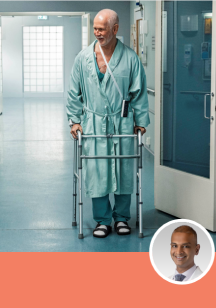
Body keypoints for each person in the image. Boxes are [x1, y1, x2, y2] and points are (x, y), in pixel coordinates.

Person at [66, 9, 149, 238]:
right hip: (93, 122)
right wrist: (74, 121)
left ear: (115, 29)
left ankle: (122, 218)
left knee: (123, 170)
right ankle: (102, 220)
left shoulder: (130, 58)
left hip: (121, 122)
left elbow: (139, 93)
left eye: (102, 29)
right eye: (95, 28)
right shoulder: (83, 58)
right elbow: (74, 92)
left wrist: (141, 122)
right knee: (97, 170)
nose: (97, 33)